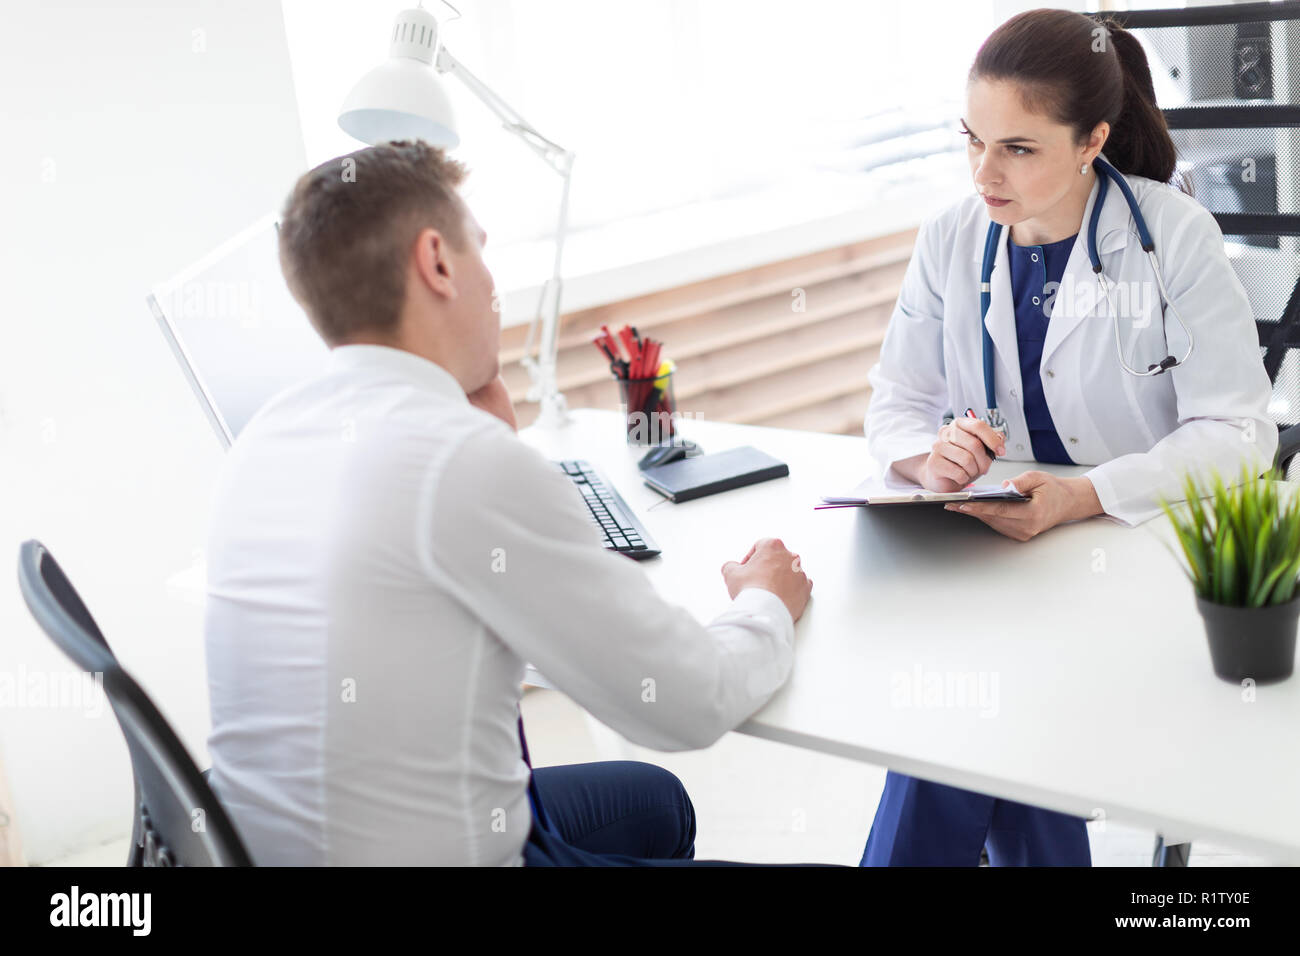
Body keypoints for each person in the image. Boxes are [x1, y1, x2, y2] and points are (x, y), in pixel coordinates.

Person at [202, 140, 814, 866]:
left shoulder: (267, 435)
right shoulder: (460, 460)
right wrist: (764, 602)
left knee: (653, 802)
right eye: (480, 251)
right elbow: (688, 701)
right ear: (437, 262)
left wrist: (479, 446)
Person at [861, 9, 1276, 866]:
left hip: (1135, 545)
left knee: (965, 718)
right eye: (971, 139)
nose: (984, 171)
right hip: (999, 548)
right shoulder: (951, 236)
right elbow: (895, 403)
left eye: (1018, 147)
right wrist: (928, 454)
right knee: (974, 698)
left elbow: (1239, 435)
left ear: (1092, 140)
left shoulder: (1171, 236)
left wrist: (1084, 495)